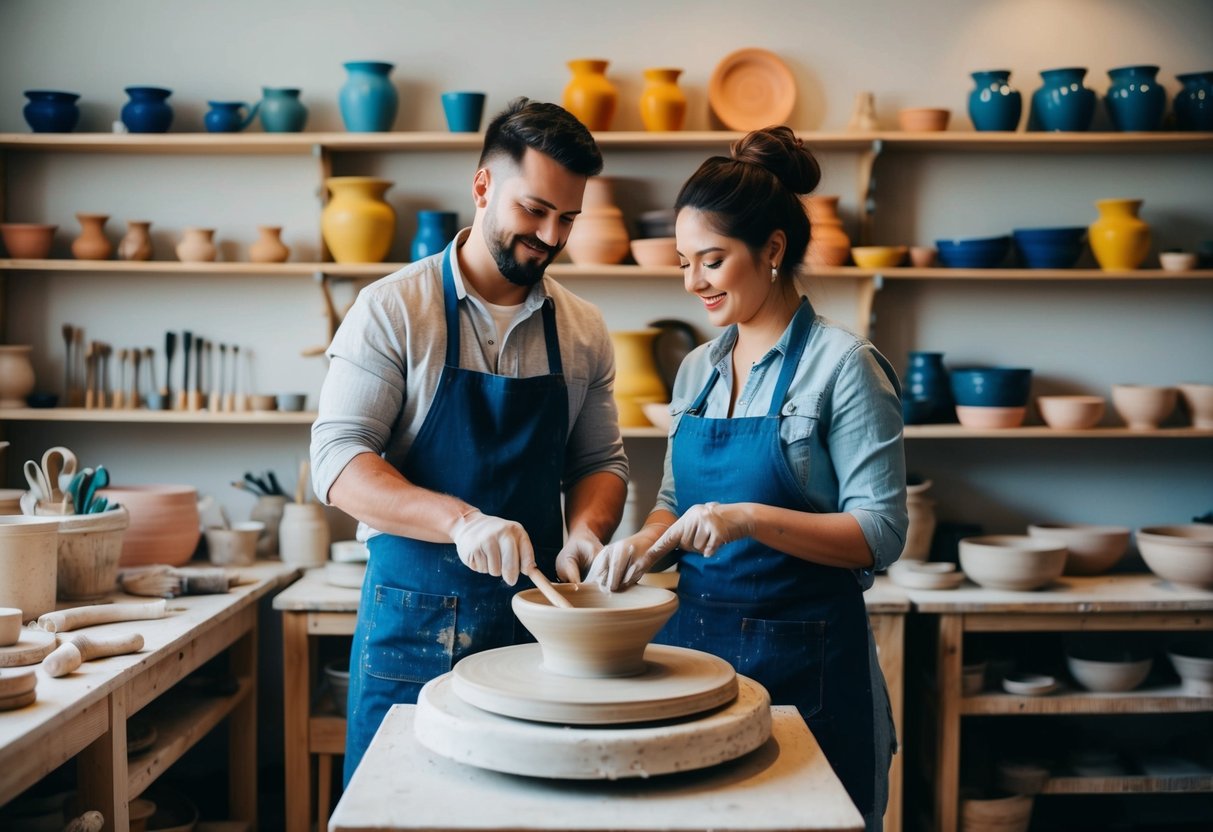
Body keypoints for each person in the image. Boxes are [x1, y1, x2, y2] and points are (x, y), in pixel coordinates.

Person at [588, 126, 907, 831]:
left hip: (810, 670)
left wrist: (751, 518)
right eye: (682, 261)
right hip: (700, 667)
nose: (691, 282)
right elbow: (672, 501)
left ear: (771, 251)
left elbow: (880, 535)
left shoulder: (842, 367)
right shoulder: (696, 371)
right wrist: (641, 546)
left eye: (710, 260)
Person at [311, 97, 628, 783]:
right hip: (413, 630)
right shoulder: (393, 309)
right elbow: (338, 466)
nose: (549, 235)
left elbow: (600, 463)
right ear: (482, 186)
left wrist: (587, 533)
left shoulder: (582, 330)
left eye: (567, 218)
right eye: (534, 210)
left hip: (536, 637)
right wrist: (460, 521)